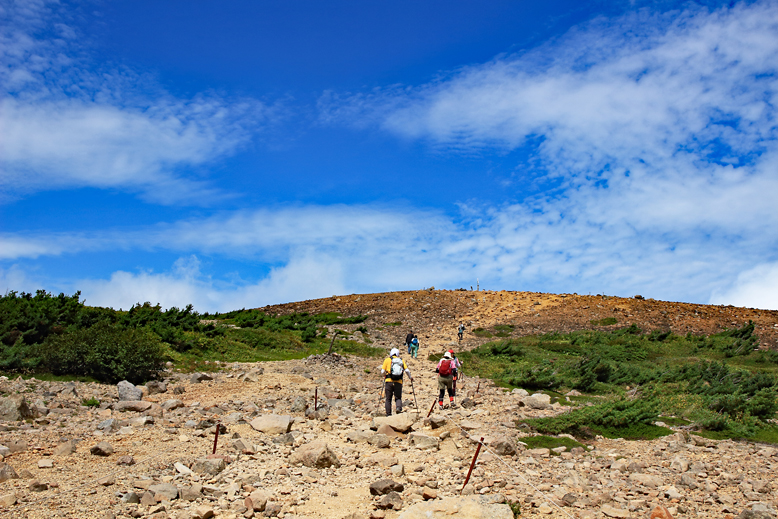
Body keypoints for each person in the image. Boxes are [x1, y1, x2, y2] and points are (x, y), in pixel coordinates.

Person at [381, 348, 413, 416]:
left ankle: (388, 414)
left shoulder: (387, 360)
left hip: (389, 381)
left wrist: (385, 375)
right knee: (398, 397)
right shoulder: (401, 360)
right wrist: (410, 377)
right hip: (398, 382)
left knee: (388, 399)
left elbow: (382, 371)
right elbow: (407, 370)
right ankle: (398, 408)